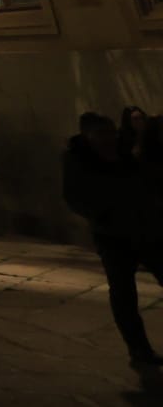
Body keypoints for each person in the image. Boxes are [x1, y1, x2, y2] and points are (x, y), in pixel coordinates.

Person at [64, 111, 163, 371]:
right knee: (123, 293)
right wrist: (106, 213)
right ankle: (139, 348)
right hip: (113, 236)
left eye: (111, 132)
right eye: (103, 133)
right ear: (88, 135)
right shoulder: (77, 159)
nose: (110, 137)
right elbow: (75, 197)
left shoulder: (124, 152)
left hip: (146, 229)